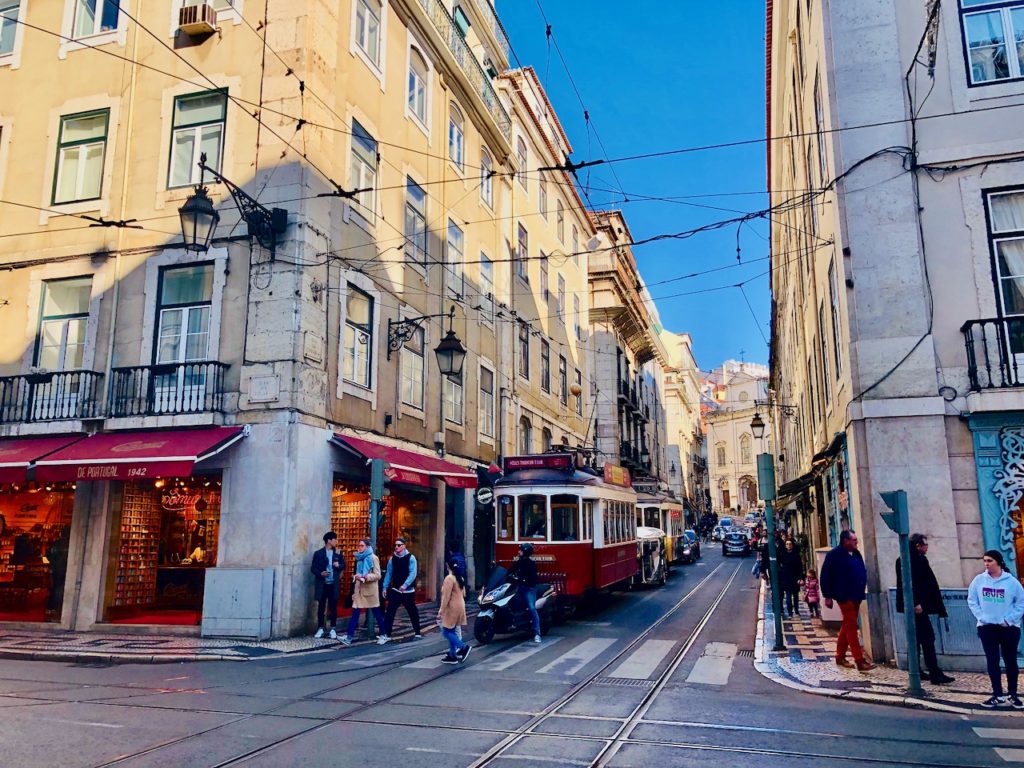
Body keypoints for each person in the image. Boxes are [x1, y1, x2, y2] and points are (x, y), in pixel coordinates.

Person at [967, 550, 1024, 709]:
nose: (986, 564)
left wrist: (1009, 619)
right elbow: (972, 600)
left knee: (1010, 661)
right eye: (985, 560)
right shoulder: (979, 580)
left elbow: (1021, 603)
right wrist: (982, 617)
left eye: (990, 561)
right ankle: (997, 694)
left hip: (1008, 628)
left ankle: (1013, 695)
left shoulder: (1011, 582)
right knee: (992, 660)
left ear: (998, 562)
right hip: (987, 627)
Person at [895, 534, 955, 686]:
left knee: (917, 639)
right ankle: (933, 672)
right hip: (917, 608)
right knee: (927, 639)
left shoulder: (911, 559)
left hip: (918, 606)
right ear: (918, 546)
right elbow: (913, 584)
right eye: (925, 545)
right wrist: (917, 603)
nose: (927, 547)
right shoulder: (913, 560)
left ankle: (917, 670)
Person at [820, 530, 875, 672]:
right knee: (851, 626)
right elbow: (825, 575)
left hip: (856, 594)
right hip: (843, 595)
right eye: (854, 540)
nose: (857, 542)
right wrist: (827, 596)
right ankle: (860, 661)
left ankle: (840, 656)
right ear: (846, 541)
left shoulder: (856, 553)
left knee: (847, 625)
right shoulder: (834, 555)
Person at [340, 538, 385, 646]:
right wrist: (357, 577)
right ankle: (349, 636)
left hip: (370, 591)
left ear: (367, 547)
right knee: (355, 612)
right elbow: (359, 573)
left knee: (377, 613)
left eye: (361, 546)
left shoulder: (373, 558)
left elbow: (378, 575)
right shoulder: (359, 558)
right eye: (358, 545)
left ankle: (384, 634)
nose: (359, 548)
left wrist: (365, 577)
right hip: (359, 590)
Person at [377, 537, 422, 645]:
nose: (396, 547)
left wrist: (405, 585)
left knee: (412, 611)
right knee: (390, 612)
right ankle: (387, 634)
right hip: (396, 589)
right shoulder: (392, 559)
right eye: (395, 545)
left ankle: (417, 632)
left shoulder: (411, 558)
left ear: (404, 546)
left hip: (408, 591)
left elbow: (413, 573)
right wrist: (384, 587)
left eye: (399, 545)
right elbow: (389, 573)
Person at [309, 531, 343, 639]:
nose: (336, 541)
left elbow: (343, 565)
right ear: (329, 540)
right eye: (335, 539)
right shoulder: (318, 553)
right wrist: (320, 573)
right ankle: (320, 628)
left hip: (334, 584)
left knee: (333, 607)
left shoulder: (338, 553)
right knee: (321, 606)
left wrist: (339, 565)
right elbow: (313, 568)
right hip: (323, 584)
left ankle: (333, 628)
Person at [437, 558, 471, 664]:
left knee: (446, 632)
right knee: (451, 631)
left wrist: (441, 610)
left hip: (452, 607)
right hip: (460, 606)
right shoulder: (459, 577)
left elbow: (446, 597)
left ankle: (463, 647)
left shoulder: (449, 578)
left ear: (448, 567)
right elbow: (464, 593)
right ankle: (453, 655)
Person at [507, 542, 542, 643]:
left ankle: (537, 633)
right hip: (517, 588)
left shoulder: (531, 564)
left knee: (531, 607)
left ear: (525, 552)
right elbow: (510, 571)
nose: (519, 552)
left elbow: (533, 578)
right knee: (510, 603)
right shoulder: (518, 562)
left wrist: (521, 579)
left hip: (529, 589)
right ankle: (513, 623)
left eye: (521, 550)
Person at [778, 539, 803, 618]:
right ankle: (790, 612)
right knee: (788, 597)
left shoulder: (796, 555)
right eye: (787, 544)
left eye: (790, 544)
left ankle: (796, 610)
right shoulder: (782, 555)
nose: (788, 545)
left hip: (795, 578)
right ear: (785, 545)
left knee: (795, 596)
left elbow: (800, 567)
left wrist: (800, 578)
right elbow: (779, 564)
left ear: (792, 545)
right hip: (786, 578)